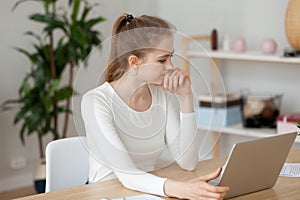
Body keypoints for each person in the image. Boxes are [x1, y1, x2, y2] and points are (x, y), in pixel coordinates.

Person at [81, 13, 229, 200]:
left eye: (171, 57)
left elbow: (188, 163)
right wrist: (182, 189)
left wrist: (186, 98)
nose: (170, 66)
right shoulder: (95, 101)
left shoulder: (162, 98)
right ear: (134, 62)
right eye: (162, 60)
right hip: (106, 195)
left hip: (147, 192)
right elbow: (127, 174)